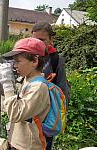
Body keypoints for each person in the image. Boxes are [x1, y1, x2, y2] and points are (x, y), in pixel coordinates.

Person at [0, 37, 51, 150]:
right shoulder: (27, 79)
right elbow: (9, 105)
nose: (14, 65)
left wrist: (7, 83)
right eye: (13, 61)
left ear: (35, 61)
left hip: (27, 146)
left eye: (18, 61)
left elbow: (15, 114)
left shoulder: (38, 87)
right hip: (17, 142)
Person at [31, 22, 70, 150]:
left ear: (50, 40)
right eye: (35, 39)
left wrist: (59, 118)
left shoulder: (56, 59)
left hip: (47, 116)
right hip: (28, 112)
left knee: (44, 145)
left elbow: (63, 89)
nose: (38, 43)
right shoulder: (27, 56)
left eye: (42, 40)